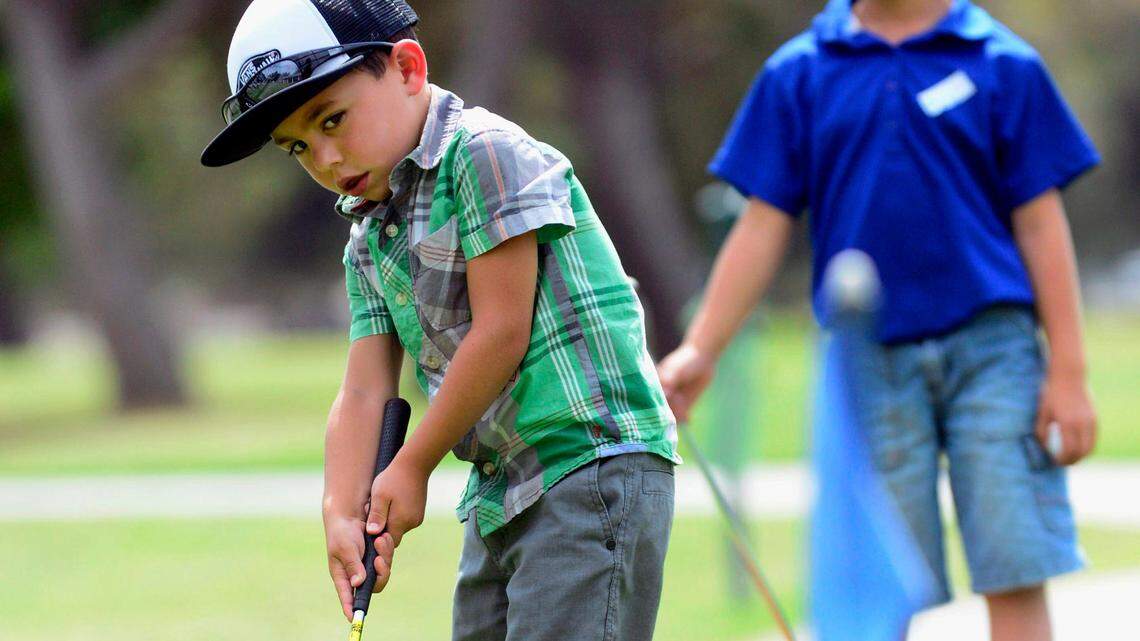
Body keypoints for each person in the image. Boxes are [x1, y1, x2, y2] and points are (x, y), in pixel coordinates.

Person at [201, 1, 680, 639]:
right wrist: (341, 510)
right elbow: (366, 389)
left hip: (590, 466)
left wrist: (412, 465)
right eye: (297, 148)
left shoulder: (483, 154)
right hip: (501, 487)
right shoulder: (368, 236)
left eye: (333, 119)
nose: (326, 159)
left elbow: (500, 333)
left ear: (406, 67)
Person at [657, 1, 1098, 639]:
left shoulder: (1003, 62)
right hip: (867, 359)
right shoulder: (801, 72)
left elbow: (1039, 221)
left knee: (1015, 563)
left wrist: (1070, 372)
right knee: (879, 575)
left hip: (994, 349)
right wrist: (702, 348)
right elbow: (762, 223)